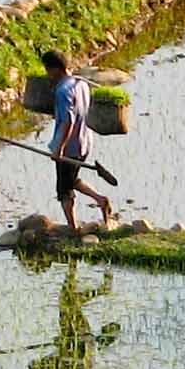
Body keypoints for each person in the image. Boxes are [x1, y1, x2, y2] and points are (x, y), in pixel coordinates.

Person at [41, 49, 114, 232]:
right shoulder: (80, 84)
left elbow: (68, 121)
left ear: (55, 69)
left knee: (64, 190)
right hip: (84, 141)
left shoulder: (63, 91)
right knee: (72, 179)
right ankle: (100, 200)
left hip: (70, 146)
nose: (48, 75)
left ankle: (73, 229)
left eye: (48, 71)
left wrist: (59, 148)